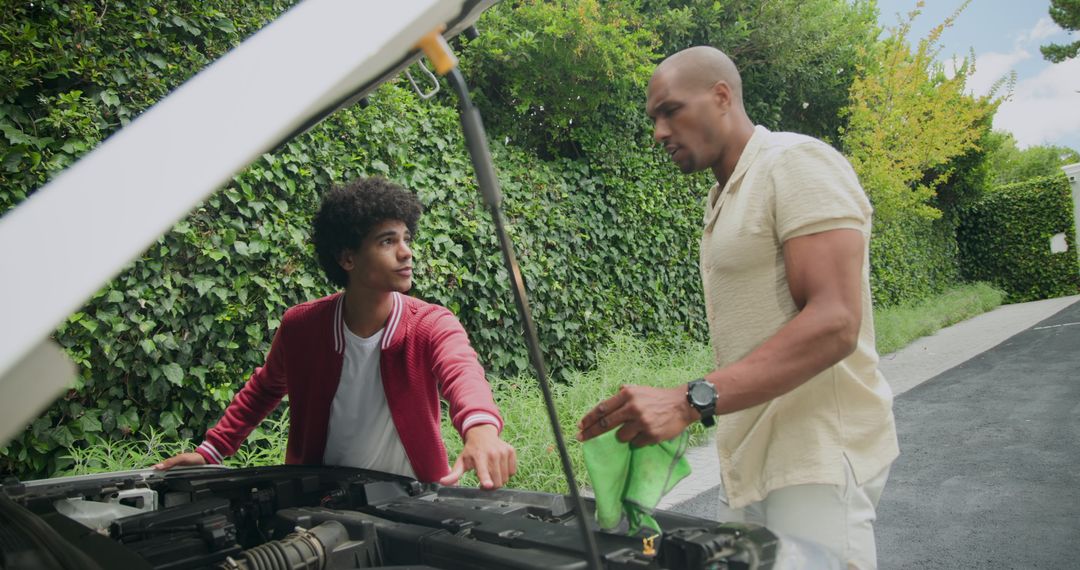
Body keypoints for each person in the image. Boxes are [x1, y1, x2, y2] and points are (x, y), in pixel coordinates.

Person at [576, 46, 898, 568]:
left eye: (670, 110)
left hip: (813, 457)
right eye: (654, 117)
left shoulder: (794, 163)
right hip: (749, 456)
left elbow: (835, 321)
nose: (659, 131)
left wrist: (688, 401)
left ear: (722, 96)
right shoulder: (723, 196)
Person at [156, 177, 517, 489]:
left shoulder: (431, 323)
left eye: (406, 238)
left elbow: (462, 371)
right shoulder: (301, 327)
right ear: (347, 258)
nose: (406, 253)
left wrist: (481, 429)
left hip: (413, 503)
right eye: (387, 241)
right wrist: (211, 452)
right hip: (316, 500)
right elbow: (264, 388)